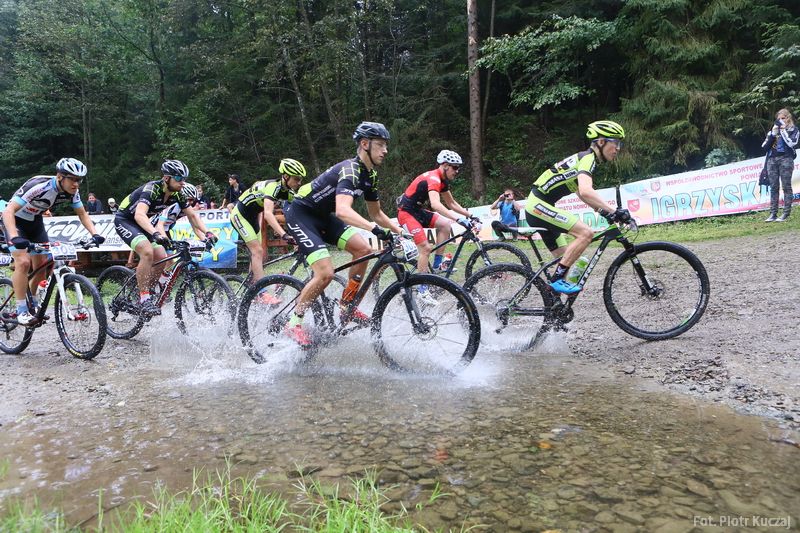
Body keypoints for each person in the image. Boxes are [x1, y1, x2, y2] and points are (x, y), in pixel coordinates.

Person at [283, 121, 404, 346]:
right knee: (325, 273)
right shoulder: (350, 169)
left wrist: (401, 232)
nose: (385, 150)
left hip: (323, 216)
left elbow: (377, 213)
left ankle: (346, 306)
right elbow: (343, 211)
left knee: (363, 250)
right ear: (365, 144)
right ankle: (293, 322)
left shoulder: (370, 176)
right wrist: (375, 230)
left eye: (386, 145)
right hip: (301, 214)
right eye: (380, 145)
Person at [526, 120, 630, 294]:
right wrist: (614, 211)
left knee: (566, 259)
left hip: (540, 206)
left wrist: (603, 211)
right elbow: (586, 191)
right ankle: (556, 281)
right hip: (538, 205)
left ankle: (553, 305)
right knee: (586, 233)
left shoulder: (585, 159)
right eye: (616, 143)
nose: (618, 148)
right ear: (601, 142)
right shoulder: (588, 159)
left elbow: (580, 192)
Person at [1, 158, 105, 325]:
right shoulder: (39, 186)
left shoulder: (73, 192)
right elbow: (8, 210)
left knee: (41, 267)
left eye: (79, 180)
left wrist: (95, 234)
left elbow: (82, 214)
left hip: (35, 223)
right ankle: (21, 310)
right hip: (15, 221)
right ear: (59, 177)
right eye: (72, 179)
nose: (76, 184)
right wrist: (14, 236)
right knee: (23, 262)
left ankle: (33, 304)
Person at [113, 160, 218, 317]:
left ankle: (149, 291)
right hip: (126, 220)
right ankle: (144, 298)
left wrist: (208, 233)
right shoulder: (152, 189)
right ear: (167, 178)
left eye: (184, 179)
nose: (183, 182)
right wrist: (156, 233)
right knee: (147, 251)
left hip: (144, 223)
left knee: (162, 256)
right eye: (179, 178)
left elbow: (193, 216)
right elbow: (139, 215)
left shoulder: (178, 194)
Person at [230, 158, 306, 292]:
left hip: (252, 218)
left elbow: (299, 212)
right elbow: (268, 214)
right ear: (286, 176)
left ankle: (251, 289)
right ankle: (261, 292)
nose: (299, 183)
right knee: (257, 251)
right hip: (239, 216)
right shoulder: (273, 187)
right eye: (296, 179)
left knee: (257, 255)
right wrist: (284, 235)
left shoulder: (287, 191)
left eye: (300, 180)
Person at [397, 149, 477, 275]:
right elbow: (435, 205)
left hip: (417, 211)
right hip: (406, 213)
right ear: (445, 165)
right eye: (455, 167)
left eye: (458, 168)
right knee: (425, 248)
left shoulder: (442, 180)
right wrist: (458, 219)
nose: (457, 171)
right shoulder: (434, 178)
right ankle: (422, 285)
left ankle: (437, 265)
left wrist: (470, 215)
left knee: (445, 225)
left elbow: (451, 203)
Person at [762, 108, 799, 222]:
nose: (781, 121)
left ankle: (785, 213)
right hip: (772, 160)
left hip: (786, 159)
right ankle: (773, 213)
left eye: (783, 118)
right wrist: (773, 134)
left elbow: (792, 143)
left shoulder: (793, 130)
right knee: (774, 187)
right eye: (779, 119)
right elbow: (764, 147)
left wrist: (783, 131)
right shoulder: (773, 130)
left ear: (788, 118)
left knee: (786, 186)